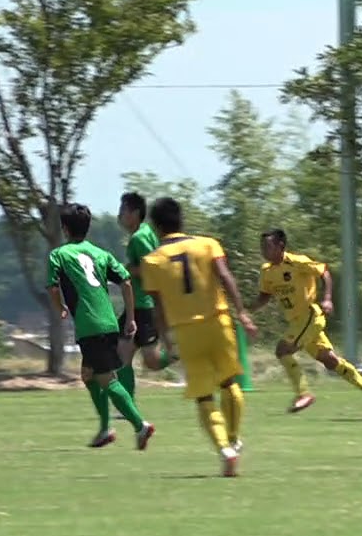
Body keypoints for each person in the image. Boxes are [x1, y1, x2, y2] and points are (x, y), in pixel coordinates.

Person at [140, 197, 258, 478]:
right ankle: (233, 437)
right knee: (229, 383)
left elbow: (158, 307)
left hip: (186, 330)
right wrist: (242, 313)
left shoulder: (152, 260)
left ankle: (225, 450)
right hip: (218, 321)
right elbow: (225, 277)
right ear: (181, 220)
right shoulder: (207, 244)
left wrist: (166, 340)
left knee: (204, 397)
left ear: (156, 227)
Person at [46, 203, 155, 450]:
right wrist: (129, 319)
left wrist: (60, 307)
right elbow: (126, 281)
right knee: (88, 375)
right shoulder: (100, 253)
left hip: (89, 325)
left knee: (106, 378)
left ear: (64, 229)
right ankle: (105, 429)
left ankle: (140, 425)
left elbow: (52, 287)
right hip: (108, 320)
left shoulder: (59, 255)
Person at [249, 229, 362, 414]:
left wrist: (327, 298)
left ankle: (303, 394)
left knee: (282, 350)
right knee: (330, 361)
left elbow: (324, 272)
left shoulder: (297, 262)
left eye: (267, 246)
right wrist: (248, 310)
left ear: (281, 246)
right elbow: (264, 296)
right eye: (262, 247)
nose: (264, 251)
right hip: (296, 322)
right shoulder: (267, 271)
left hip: (310, 316)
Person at [115, 192, 180, 403]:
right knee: (124, 354)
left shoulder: (139, 238)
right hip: (140, 305)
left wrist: (125, 270)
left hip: (144, 305)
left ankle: (180, 353)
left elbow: (150, 267)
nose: (119, 215)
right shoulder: (145, 232)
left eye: (123, 210)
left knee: (142, 360)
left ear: (135, 213)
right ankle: (127, 405)